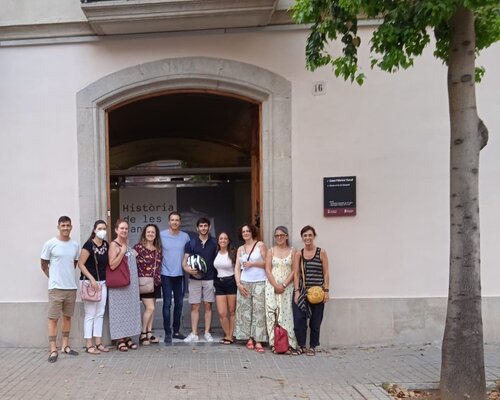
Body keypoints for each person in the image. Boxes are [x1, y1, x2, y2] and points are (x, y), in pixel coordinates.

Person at [40, 216, 80, 363]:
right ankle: (53, 349)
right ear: (58, 227)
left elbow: (74, 263)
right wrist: (52, 278)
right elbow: (43, 264)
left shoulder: (75, 245)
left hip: (71, 288)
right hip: (56, 288)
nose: (65, 228)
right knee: (53, 319)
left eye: (68, 225)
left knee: (67, 317)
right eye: (63, 225)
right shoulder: (50, 244)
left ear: (71, 227)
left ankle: (65, 346)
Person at [292, 225, 330, 356]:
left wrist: (326, 291)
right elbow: (296, 274)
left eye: (310, 235)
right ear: (302, 238)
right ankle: (301, 345)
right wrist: (296, 291)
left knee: (315, 321)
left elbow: (326, 273)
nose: (307, 238)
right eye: (305, 235)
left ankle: (313, 346)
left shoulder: (321, 252)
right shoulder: (299, 254)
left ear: (314, 236)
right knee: (299, 320)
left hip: (318, 292)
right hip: (303, 291)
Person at [108, 219, 142, 351]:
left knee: (129, 310)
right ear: (116, 230)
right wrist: (122, 252)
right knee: (118, 311)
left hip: (130, 284)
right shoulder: (114, 245)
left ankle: (127, 337)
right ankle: (119, 339)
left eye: (126, 228)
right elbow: (112, 265)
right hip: (119, 285)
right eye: (122, 228)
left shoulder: (127, 244)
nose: (124, 230)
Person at [234, 224, 268, 353]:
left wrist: (253, 263)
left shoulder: (260, 245)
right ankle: (248, 338)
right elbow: (237, 268)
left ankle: (258, 340)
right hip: (244, 282)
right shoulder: (240, 249)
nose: (245, 233)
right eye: (243, 231)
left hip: (260, 281)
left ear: (252, 232)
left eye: (248, 231)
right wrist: (238, 283)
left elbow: (267, 263)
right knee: (245, 312)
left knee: (259, 311)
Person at [182, 217, 217, 342]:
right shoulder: (190, 244)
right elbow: (185, 261)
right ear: (197, 228)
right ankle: (194, 333)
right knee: (195, 306)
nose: (203, 228)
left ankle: (207, 333)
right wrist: (187, 269)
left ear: (209, 227)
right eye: (201, 226)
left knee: (208, 305)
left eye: (205, 226)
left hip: (209, 279)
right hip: (194, 279)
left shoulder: (215, 243)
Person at [265, 226, 299, 354]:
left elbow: (294, 270)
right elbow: (268, 269)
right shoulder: (270, 251)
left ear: (286, 236)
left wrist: (284, 285)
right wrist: (275, 285)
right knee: (271, 314)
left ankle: (288, 343)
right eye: (277, 235)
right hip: (271, 286)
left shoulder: (293, 251)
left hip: (287, 287)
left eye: (282, 235)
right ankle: (275, 343)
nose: (279, 238)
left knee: (287, 314)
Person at [77, 219, 109, 354]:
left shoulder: (106, 245)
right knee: (90, 314)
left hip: (103, 283)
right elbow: (80, 263)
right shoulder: (89, 245)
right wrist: (91, 279)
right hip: (90, 283)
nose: (102, 231)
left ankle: (98, 343)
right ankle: (89, 345)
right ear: (95, 230)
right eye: (100, 228)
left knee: (100, 313)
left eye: (104, 229)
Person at [160, 211, 190, 343]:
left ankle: (176, 331)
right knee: (167, 304)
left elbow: (189, 254)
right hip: (166, 274)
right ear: (169, 222)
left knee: (179, 304)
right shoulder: (161, 235)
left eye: (177, 220)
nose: (175, 222)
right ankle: (167, 332)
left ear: (180, 222)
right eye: (172, 220)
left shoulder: (185, 237)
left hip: (180, 275)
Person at [134, 224, 163, 345]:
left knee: (152, 309)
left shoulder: (158, 249)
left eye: (153, 232)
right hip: (144, 283)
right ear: (144, 233)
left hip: (156, 282)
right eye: (148, 232)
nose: (150, 234)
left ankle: (149, 333)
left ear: (156, 234)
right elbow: (130, 262)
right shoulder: (138, 248)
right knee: (150, 308)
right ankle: (143, 333)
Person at [213, 232, 237, 345]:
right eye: (221, 238)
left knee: (232, 311)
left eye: (225, 238)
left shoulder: (233, 253)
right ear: (218, 241)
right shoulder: (215, 253)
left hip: (231, 281)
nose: (223, 240)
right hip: (219, 283)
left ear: (228, 241)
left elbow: (238, 268)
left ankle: (230, 336)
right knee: (222, 313)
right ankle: (228, 334)